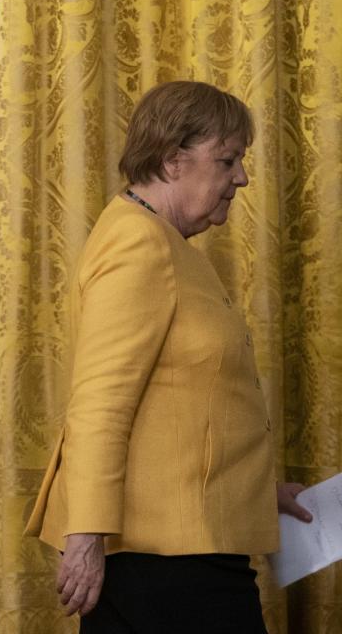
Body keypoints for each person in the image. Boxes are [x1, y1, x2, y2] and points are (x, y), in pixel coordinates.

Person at [24, 81, 313, 632]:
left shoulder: (168, 244)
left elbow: (181, 406)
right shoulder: (139, 245)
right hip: (164, 564)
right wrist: (85, 535)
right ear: (171, 159)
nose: (242, 177)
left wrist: (258, 490)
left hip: (184, 549)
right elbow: (101, 403)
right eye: (227, 160)